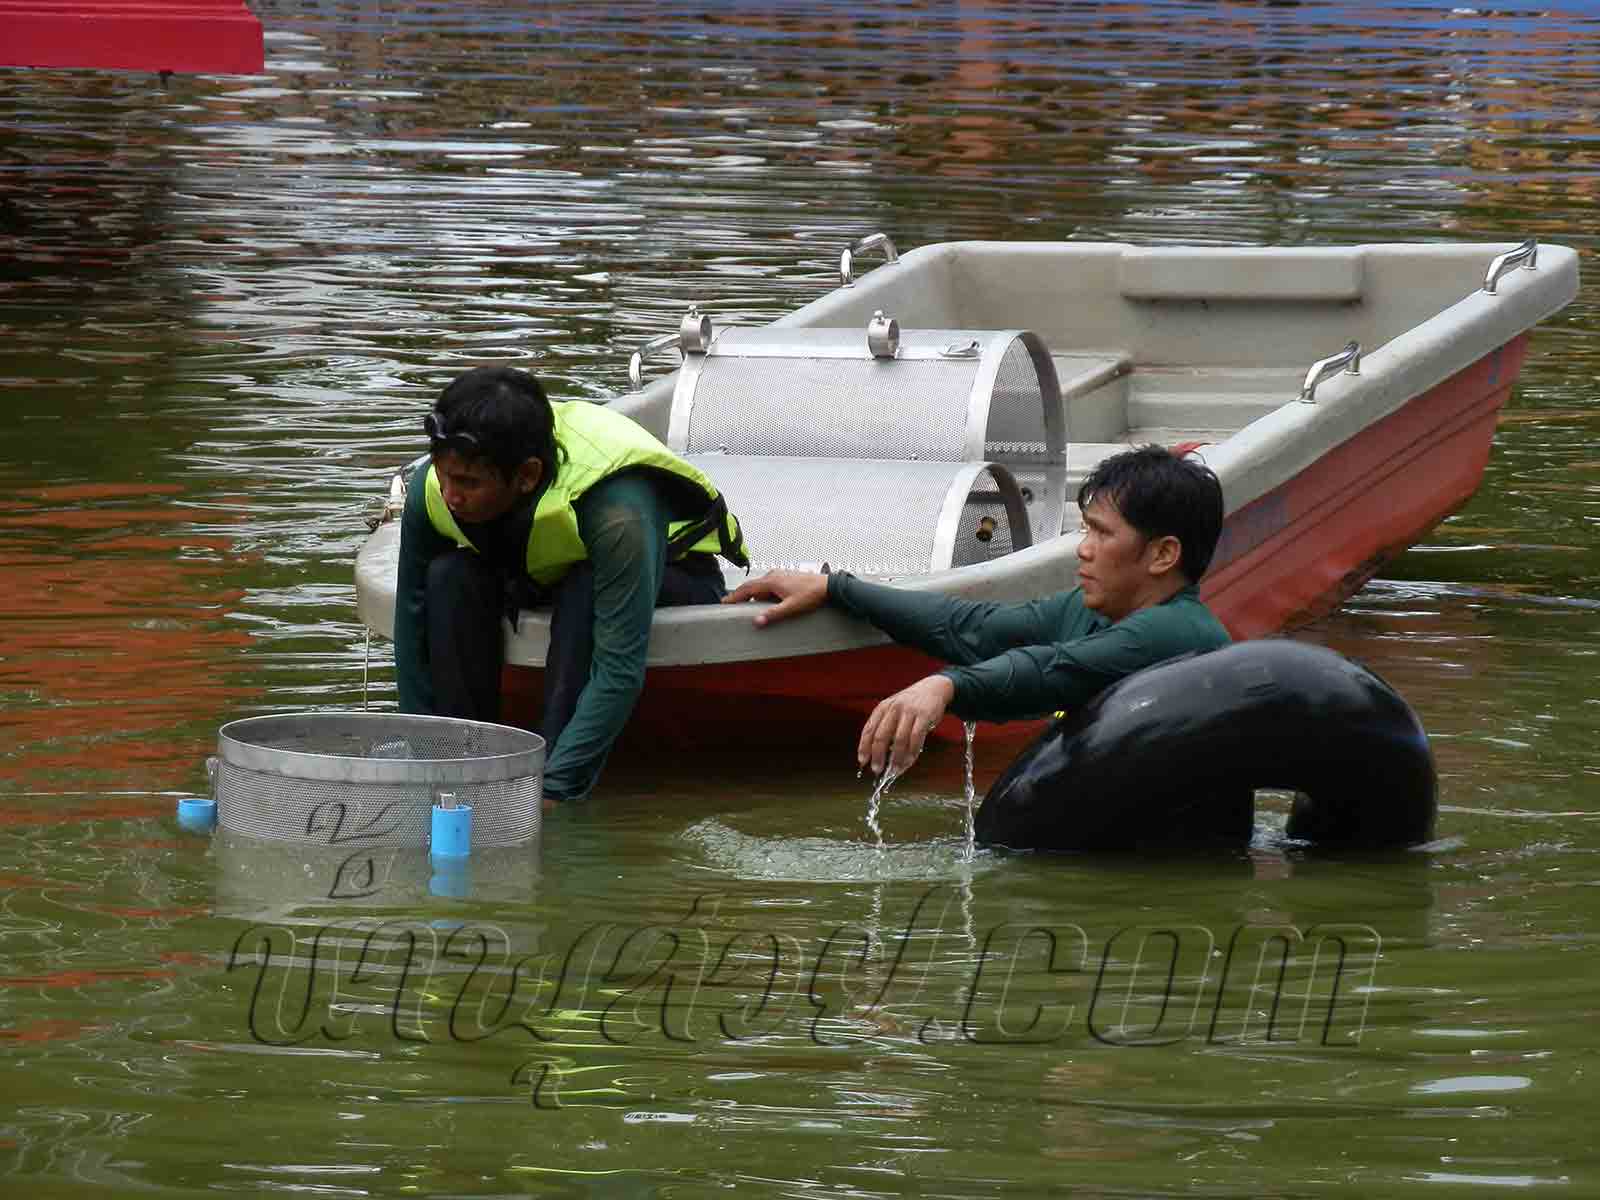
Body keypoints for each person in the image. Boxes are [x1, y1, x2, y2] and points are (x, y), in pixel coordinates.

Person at [723, 444, 1230, 775]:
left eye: (1101, 532)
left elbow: (1053, 670)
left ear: (1163, 554)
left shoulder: (1175, 635)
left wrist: (947, 686)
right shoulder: (1092, 609)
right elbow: (979, 629)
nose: (1084, 548)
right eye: (1084, 529)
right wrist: (837, 589)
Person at [394, 366, 748, 801]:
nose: (450, 494)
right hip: (546, 569)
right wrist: (422, 755)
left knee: (585, 591)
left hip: (674, 578)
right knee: (448, 576)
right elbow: (411, 625)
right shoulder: (433, 488)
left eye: (468, 483)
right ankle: (460, 766)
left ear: (526, 475)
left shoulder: (619, 510)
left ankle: (551, 766)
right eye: (444, 474)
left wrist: (555, 793)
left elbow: (619, 668)